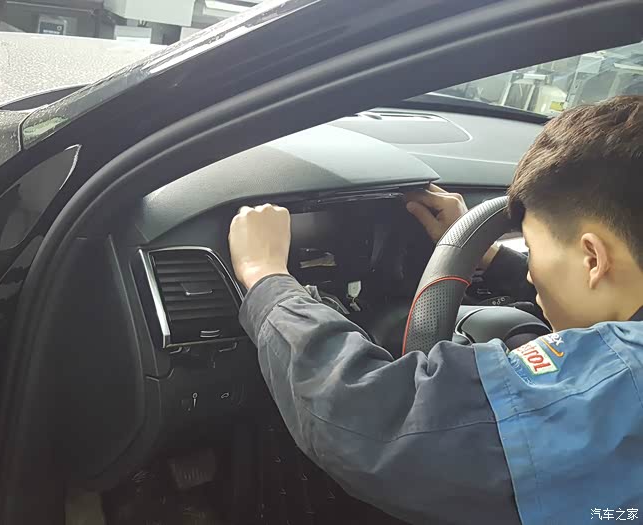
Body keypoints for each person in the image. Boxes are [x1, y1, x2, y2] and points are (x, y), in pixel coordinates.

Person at [228, 96, 643, 525]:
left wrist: (266, 279)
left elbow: (370, 421)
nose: (532, 275)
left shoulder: (612, 388)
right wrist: (491, 259)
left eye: (533, 251)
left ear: (592, 259)